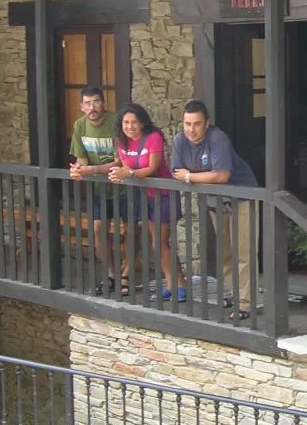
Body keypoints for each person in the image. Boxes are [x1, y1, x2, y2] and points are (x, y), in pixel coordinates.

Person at [170, 100, 257, 320]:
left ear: (206, 123)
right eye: (187, 124)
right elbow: (175, 172)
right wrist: (197, 177)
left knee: (244, 251)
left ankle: (246, 303)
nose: (191, 129)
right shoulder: (180, 141)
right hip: (214, 201)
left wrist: (190, 177)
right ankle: (235, 294)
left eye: (197, 124)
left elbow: (221, 175)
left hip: (242, 196)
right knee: (227, 252)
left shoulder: (218, 138)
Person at [108, 104, 187, 305]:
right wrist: (110, 172)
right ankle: (177, 285)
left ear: (143, 123)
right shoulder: (121, 141)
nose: (130, 126)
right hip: (146, 196)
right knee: (159, 243)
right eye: (126, 122)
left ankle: (176, 286)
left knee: (159, 243)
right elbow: (123, 165)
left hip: (164, 195)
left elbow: (152, 167)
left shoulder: (153, 138)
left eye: (134, 122)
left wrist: (129, 174)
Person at [67, 86, 122, 294]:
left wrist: (93, 169)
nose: (93, 107)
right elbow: (81, 159)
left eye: (96, 102)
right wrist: (78, 170)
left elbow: (120, 160)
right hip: (99, 189)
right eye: (88, 103)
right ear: (81, 107)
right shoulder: (79, 126)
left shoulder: (116, 122)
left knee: (134, 228)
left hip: (122, 186)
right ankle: (111, 274)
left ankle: (125, 273)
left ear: (104, 103)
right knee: (99, 229)